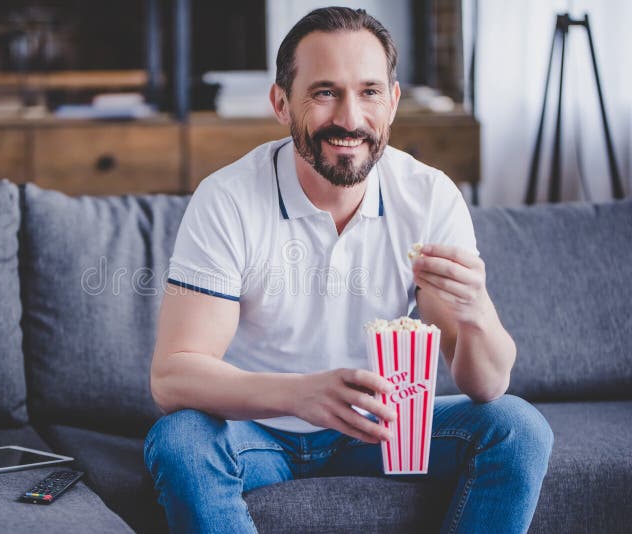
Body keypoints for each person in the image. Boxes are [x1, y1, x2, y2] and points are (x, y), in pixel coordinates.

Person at [144, 7, 553, 534]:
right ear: (280, 102)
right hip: (257, 433)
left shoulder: (428, 197)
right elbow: (172, 374)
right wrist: (301, 394)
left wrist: (477, 313)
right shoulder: (228, 199)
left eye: (369, 92)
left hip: (382, 429)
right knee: (179, 441)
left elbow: (486, 384)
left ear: (394, 101)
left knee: (517, 427)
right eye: (324, 93)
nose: (351, 118)